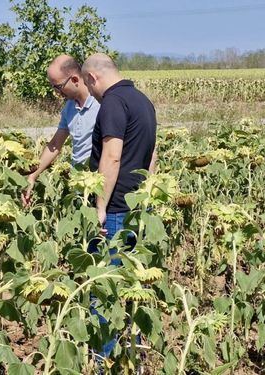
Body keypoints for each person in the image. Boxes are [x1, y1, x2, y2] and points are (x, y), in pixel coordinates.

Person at [81, 53, 157, 364]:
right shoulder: (142, 100)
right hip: (137, 210)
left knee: (106, 290)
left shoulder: (112, 103)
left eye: (89, 86)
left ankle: (105, 362)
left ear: (92, 79)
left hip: (114, 209)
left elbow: (111, 157)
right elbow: (152, 156)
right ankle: (133, 358)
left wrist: (99, 206)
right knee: (132, 287)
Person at [21, 54, 100, 206]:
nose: (56, 92)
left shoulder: (102, 104)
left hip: (98, 185)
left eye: (58, 87)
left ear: (75, 80)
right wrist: (32, 176)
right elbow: (55, 144)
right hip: (78, 186)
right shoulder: (69, 108)